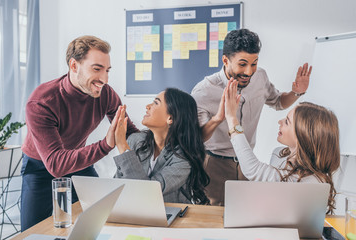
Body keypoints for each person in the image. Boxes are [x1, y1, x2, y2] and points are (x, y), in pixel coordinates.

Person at [20, 35, 138, 231]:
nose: (105, 79)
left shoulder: (105, 94)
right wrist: (105, 144)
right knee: (33, 232)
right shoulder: (42, 102)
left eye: (107, 70)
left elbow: (130, 132)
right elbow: (56, 164)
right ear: (74, 66)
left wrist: (165, 140)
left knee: (100, 217)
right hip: (40, 166)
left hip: (76, 161)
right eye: (97, 69)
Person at [191, 28, 312, 205]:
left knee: (245, 214)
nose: (249, 71)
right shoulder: (204, 91)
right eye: (242, 64)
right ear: (225, 60)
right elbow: (198, 137)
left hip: (247, 162)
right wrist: (219, 117)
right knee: (215, 218)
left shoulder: (260, 77)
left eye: (254, 63)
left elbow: (278, 102)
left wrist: (296, 92)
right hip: (215, 164)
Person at [224, 79, 340, 214]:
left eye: (287, 122)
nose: (280, 122)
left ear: (302, 136)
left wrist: (232, 118)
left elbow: (252, 169)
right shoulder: (281, 156)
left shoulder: (311, 182)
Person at [113, 88, 210, 204]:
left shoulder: (184, 159)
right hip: (132, 211)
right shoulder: (135, 140)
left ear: (170, 118)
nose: (148, 106)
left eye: (156, 103)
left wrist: (123, 148)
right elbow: (118, 184)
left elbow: (145, 193)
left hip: (171, 216)